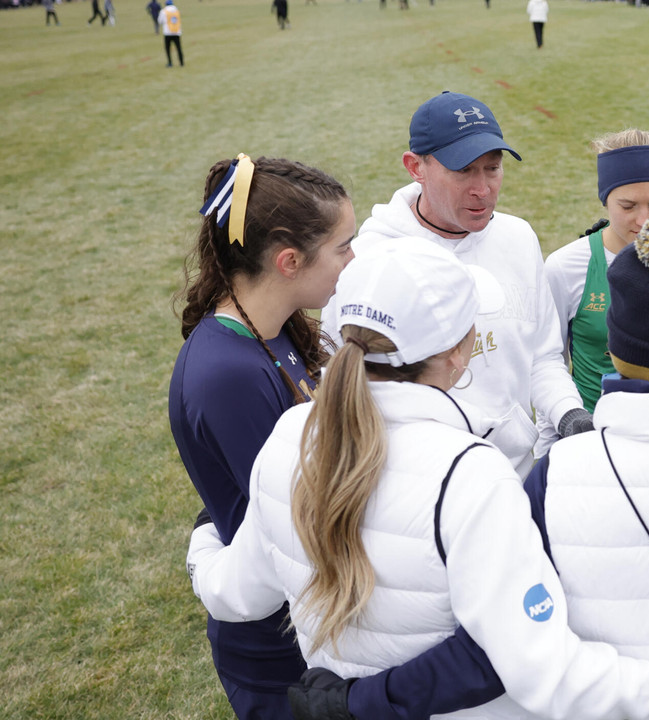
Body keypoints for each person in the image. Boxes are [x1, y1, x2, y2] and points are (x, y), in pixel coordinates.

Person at [187, 242, 649, 720]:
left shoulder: (291, 437)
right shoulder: (468, 474)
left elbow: (237, 596)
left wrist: (203, 541)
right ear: (459, 354)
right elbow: (544, 671)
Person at [170, 155, 356, 719]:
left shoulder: (273, 331)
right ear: (289, 260)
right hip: (276, 649)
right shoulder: (230, 373)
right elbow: (293, 523)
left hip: (307, 623)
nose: (355, 260)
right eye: (344, 246)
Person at [320, 91, 591, 478]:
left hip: (514, 476)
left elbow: (542, 356)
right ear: (416, 167)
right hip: (418, 483)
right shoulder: (368, 261)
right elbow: (338, 378)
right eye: (464, 170)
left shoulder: (518, 238)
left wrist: (570, 414)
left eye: (492, 168)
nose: (483, 188)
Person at [545, 129, 649, 413]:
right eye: (628, 206)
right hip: (593, 442)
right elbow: (547, 364)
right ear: (605, 200)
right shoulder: (565, 267)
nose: (645, 220)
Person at [160, 0, 183, 67]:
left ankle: (170, 63)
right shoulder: (177, 11)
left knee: (168, 49)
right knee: (179, 48)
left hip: (168, 33)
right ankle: (181, 63)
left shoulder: (164, 11)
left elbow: (160, 21)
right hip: (177, 32)